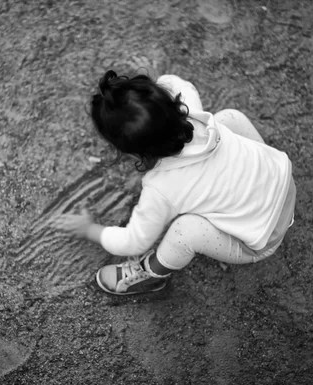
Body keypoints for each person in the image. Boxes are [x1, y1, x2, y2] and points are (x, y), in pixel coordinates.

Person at [50, 70, 296, 295]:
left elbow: (134, 240)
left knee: (184, 231)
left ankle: (151, 274)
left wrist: (90, 230)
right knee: (230, 118)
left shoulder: (160, 190)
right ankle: (262, 178)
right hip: (285, 186)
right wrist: (151, 94)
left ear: (133, 154)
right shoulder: (191, 109)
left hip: (261, 241)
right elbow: (175, 81)